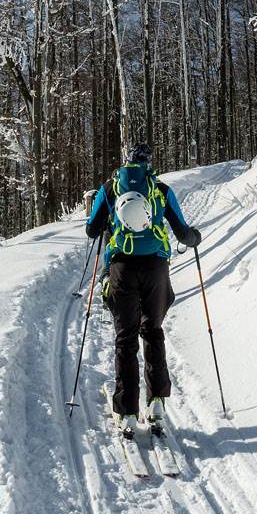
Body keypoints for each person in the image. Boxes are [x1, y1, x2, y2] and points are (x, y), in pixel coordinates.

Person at [86, 141, 201, 438]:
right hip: (156, 268)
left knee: (125, 338)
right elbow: (182, 232)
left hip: (122, 267)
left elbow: (91, 229)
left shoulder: (110, 188)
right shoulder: (161, 190)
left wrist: (107, 222)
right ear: (149, 163)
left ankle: (126, 412)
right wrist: (194, 238)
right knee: (153, 331)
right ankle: (157, 401)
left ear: (126, 161)